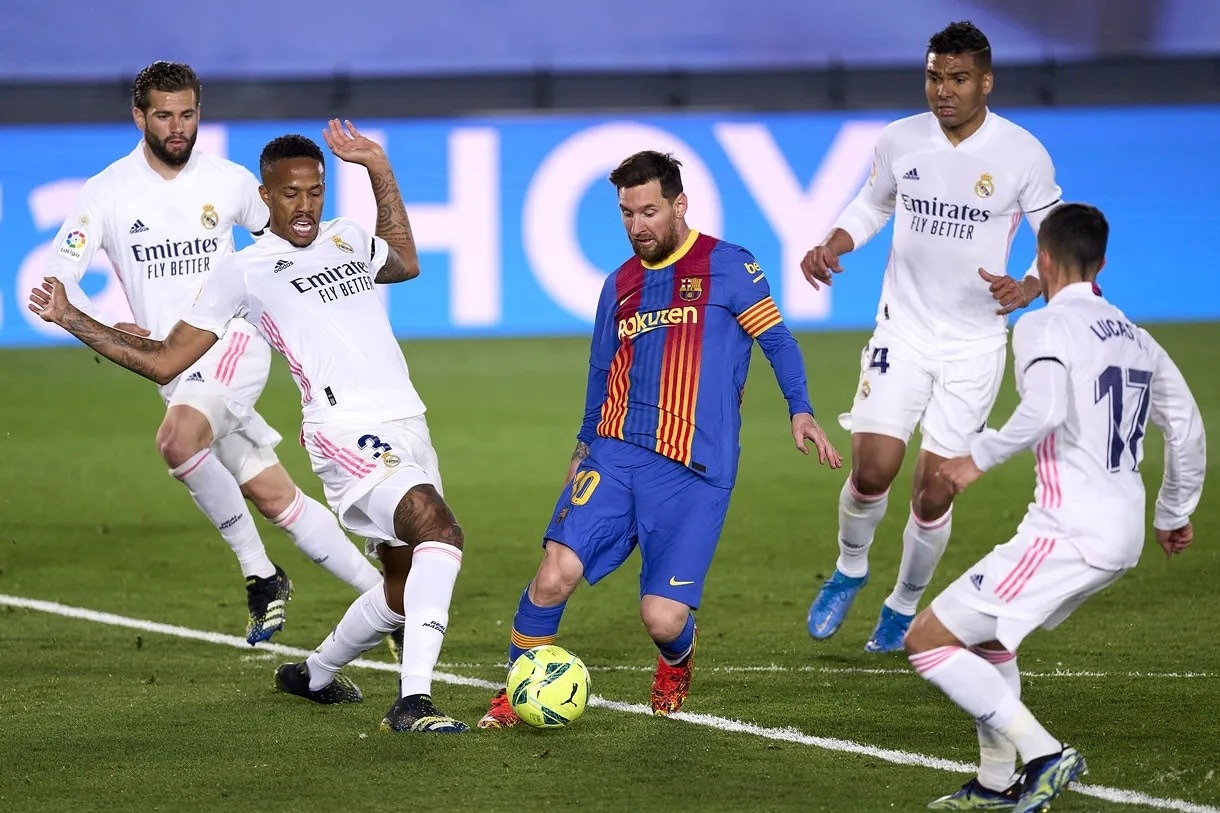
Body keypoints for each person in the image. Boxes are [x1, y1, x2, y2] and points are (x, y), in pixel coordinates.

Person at [30, 121, 468, 732]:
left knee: (401, 587)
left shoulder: (346, 239)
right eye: (291, 193)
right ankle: (413, 701)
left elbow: (407, 261)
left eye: (315, 191)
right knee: (439, 530)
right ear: (265, 198)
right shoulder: (245, 271)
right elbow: (164, 360)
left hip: (409, 423)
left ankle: (311, 674)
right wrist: (73, 316)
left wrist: (377, 166)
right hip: (345, 432)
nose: (306, 205)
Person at [477, 150, 843, 729]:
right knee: (554, 573)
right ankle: (517, 690)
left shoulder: (727, 265)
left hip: (695, 467)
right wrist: (581, 447)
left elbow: (777, 341)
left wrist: (800, 410)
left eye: (648, 212)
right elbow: (602, 372)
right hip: (616, 451)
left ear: (679, 205)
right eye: (626, 214)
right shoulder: (618, 285)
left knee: (663, 619)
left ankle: (677, 660)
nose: (637, 226)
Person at [45, 61, 381, 645]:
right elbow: (55, 284)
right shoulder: (105, 195)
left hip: (233, 344)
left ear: (199, 112)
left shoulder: (227, 182)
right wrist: (105, 325)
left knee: (176, 440)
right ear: (139, 117)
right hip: (173, 366)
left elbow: (283, 241)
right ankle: (385, 599)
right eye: (164, 115)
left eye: (188, 113)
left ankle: (261, 576)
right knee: (272, 494)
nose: (178, 127)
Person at [905, 203, 1205, 811]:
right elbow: (1187, 424)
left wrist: (973, 459)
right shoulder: (1138, 338)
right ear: (1103, 264)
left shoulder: (1043, 328)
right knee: (992, 644)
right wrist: (1173, 512)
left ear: (1042, 259)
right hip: (1119, 533)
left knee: (928, 641)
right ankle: (994, 783)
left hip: (1069, 531)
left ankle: (1044, 753)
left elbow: (1042, 410)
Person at [801, 21, 1065, 653]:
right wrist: (836, 241)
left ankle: (903, 605)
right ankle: (850, 567)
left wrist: (1029, 286)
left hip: (975, 344)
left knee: (934, 488)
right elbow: (873, 204)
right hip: (904, 331)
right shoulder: (901, 140)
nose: (943, 90)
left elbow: (1054, 231)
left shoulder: (1022, 152)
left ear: (985, 81)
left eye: (957, 78)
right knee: (872, 471)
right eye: (934, 76)